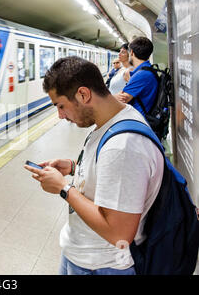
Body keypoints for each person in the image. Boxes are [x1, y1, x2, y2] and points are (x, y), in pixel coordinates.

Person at [24, 56, 164, 275]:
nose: (61, 116)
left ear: (83, 94)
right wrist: (72, 166)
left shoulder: (123, 146)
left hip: (102, 265)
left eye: (61, 106)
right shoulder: (115, 119)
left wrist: (64, 188)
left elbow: (119, 233)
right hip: (83, 254)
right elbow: (112, 174)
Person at [114, 37, 158, 118]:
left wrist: (113, 96)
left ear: (132, 52)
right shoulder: (145, 70)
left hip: (140, 121)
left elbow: (123, 98)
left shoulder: (142, 74)